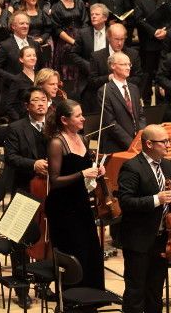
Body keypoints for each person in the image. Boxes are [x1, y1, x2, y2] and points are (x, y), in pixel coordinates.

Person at [116, 124, 171, 313]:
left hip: (163, 238)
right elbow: (126, 202)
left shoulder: (167, 165)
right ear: (149, 144)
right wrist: (156, 199)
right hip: (139, 239)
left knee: (155, 291)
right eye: (163, 142)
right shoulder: (132, 167)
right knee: (136, 290)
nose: (168, 145)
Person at [44, 99, 105, 289]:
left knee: (91, 250)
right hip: (62, 208)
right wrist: (82, 174)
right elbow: (54, 181)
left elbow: (86, 170)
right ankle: (72, 300)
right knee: (74, 252)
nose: (83, 119)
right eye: (78, 116)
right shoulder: (56, 143)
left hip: (81, 203)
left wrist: (97, 171)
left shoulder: (83, 139)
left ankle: (91, 299)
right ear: (64, 119)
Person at [98, 52, 143, 153]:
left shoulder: (134, 88)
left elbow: (140, 115)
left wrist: (140, 138)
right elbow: (110, 123)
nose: (128, 67)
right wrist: (131, 144)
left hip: (137, 143)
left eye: (129, 64)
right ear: (113, 66)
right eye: (124, 64)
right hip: (117, 146)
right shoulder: (105, 91)